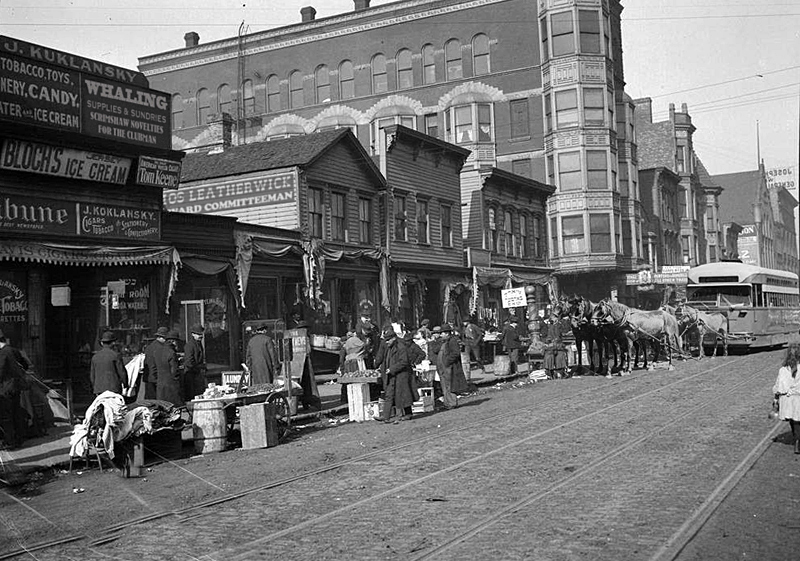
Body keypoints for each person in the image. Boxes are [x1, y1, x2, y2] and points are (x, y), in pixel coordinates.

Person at [377, 327, 418, 423]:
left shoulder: (401, 347)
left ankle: (408, 414)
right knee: (389, 395)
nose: (386, 342)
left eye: (388, 340)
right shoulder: (389, 347)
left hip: (402, 374)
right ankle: (386, 416)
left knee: (404, 394)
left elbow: (404, 362)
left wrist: (392, 369)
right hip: (392, 374)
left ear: (393, 338)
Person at [0, 330, 27, 449]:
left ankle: (10, 442)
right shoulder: (15, 350)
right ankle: (19, 439)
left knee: (6, 415)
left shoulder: (2, 353)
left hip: (5, 388)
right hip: (16, 387)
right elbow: (25, 365)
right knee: (16, 413)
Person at [773, 342, 800, 454]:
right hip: (798, 398)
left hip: (787, 400)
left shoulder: (783, 370)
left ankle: (796, 438)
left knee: (793, 420)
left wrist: (775, 398)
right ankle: (798, 441)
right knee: (798, 420)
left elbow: (778, 386)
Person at [438, 325, 469, 409]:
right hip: (445, 367)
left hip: (450, 367)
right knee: (446, 386)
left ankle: (451, 403)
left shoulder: (452, 341)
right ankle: (447, 403)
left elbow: (455, 353)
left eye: (442, 333)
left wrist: (447, 362)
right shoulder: (446, 341)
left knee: (450, 386)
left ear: (447, 333)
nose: (441, 335)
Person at [89, 331, 128, 396]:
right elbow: (122, 372)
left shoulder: (95, 357)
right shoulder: (115, 355)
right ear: (113, 343)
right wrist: (125, 384)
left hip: (99, 389)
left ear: (102, 343)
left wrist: (95, 386)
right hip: (113, 389)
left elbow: (92, 375)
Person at [151, 328, 181, 405]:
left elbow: (154, 368)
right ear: (173, 342)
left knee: (162, 407)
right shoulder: (171, 352)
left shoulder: (157, 351)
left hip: (160, 385)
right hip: (171, 386)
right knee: (173, 409)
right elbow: (174, 371)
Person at [142, 327, 169, 400]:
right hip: (155, 378)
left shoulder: (151, 346)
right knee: (156, 401)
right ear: (162, 338)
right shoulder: (160, 348)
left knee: (150, 400)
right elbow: (155, 364)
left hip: (149, 377)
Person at [183, 324, 206, 400]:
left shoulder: (198, 344)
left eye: (201, 334)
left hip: (197, 374)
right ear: (193, 334)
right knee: (193, 396)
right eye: (198, 334)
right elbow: (189, 362)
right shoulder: (190, 345)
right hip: (191, 375)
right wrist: (199, 368)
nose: (201, 336)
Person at [543, 312, 568, 380]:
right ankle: (550, 373)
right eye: (552, 318)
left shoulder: (559, 325)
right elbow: (548, 335)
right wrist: (548, 341)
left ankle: (560, 372)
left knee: (560, 357)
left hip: (558, 344)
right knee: (549, 356)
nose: (552, 319)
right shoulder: (550, 326)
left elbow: (562, 333)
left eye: (553, 318)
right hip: (551, 345)